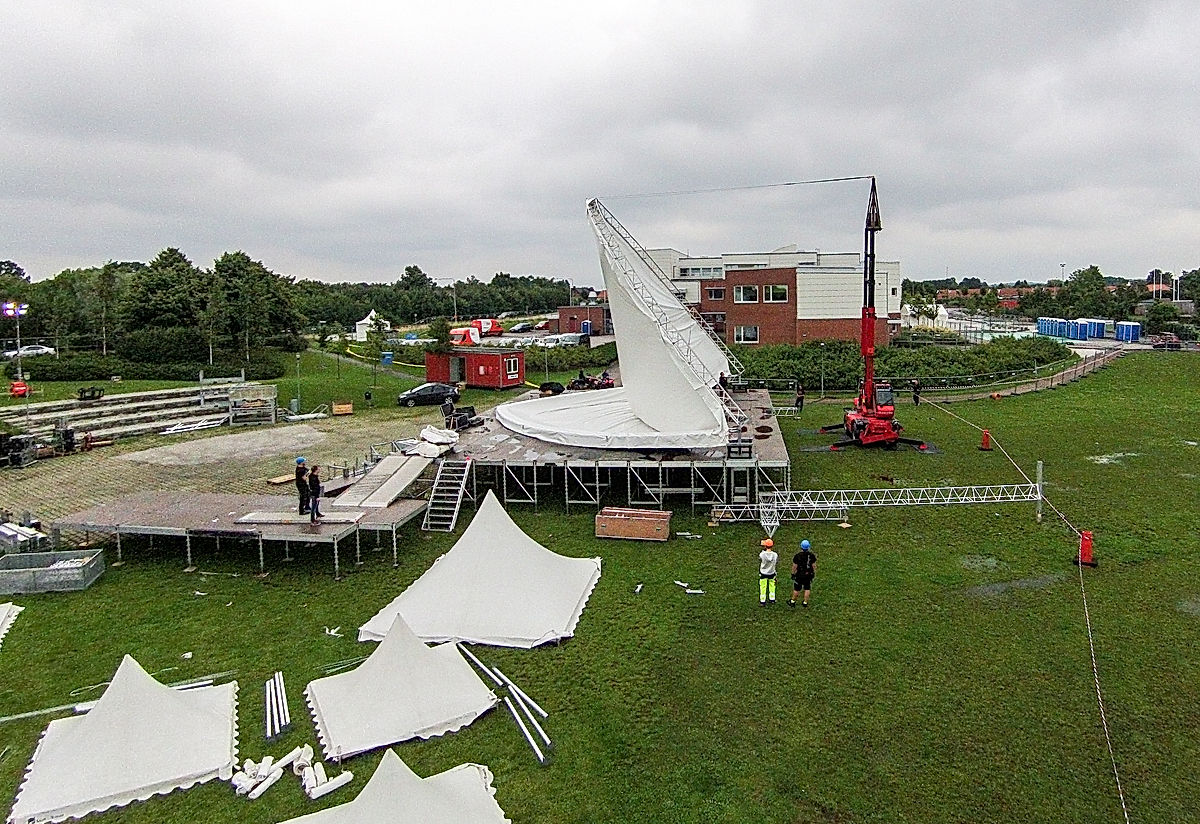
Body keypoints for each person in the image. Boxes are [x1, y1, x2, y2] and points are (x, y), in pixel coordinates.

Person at [789, 539, 817, 607]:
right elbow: (814, 565)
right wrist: (813, 573)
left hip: (800, 575)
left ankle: (793, 601)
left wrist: (793, 573)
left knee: (797, 588)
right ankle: (805, 602)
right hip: (808, 574)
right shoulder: (811, 555)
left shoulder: (798, 556)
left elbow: (795, 566)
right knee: (807, 588)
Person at [758, 538, 778, 606]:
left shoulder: (762, 554)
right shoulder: (775, 555)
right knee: (772, 585)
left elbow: (760, 556)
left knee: (763, 587)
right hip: (771, 572)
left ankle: (762, 600)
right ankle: (772, 598)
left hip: (763, 572)